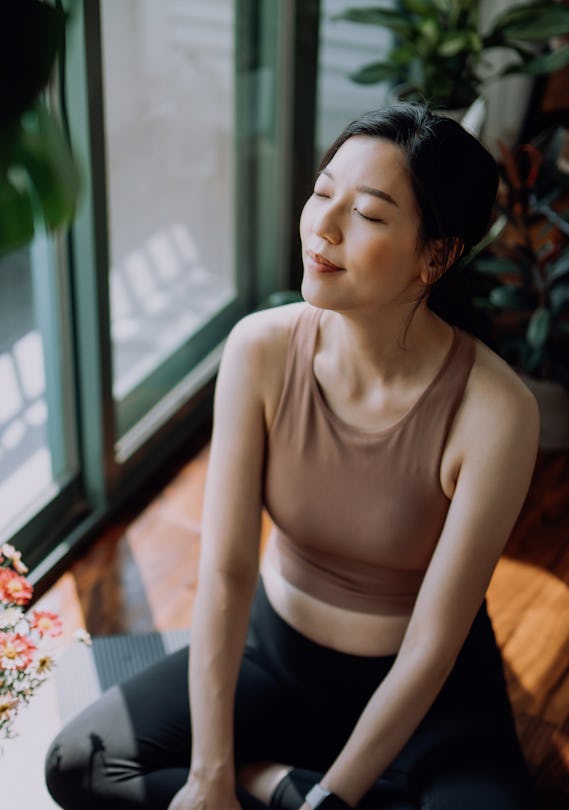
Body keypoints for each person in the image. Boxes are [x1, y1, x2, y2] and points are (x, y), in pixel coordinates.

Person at [45, 103, 539, 810]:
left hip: (429, 700)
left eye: (368, 215)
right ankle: (267, 782)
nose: (324, 229)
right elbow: (225, 570)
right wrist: (212, 773)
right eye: (321, 192)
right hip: (275, 660)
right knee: (79, 762)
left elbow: (433, 645)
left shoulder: (497, 411)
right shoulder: (261, 348)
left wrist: (333, 801)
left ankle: (299, 785)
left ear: (436, 254)